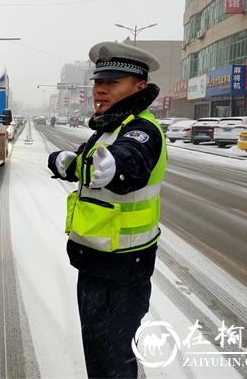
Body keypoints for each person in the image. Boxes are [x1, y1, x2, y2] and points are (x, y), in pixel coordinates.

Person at [47, 41, 167, 379]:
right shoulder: (109, 128)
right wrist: (65, 163)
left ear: (139, 86)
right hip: (98, 262)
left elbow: (130, 161)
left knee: (112, 363)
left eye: (112, 82)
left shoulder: (141, 130)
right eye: (98, 82)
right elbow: (92, 166)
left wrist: (118, 167)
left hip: (123, 270)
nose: (100, 90)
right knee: (100, 354)